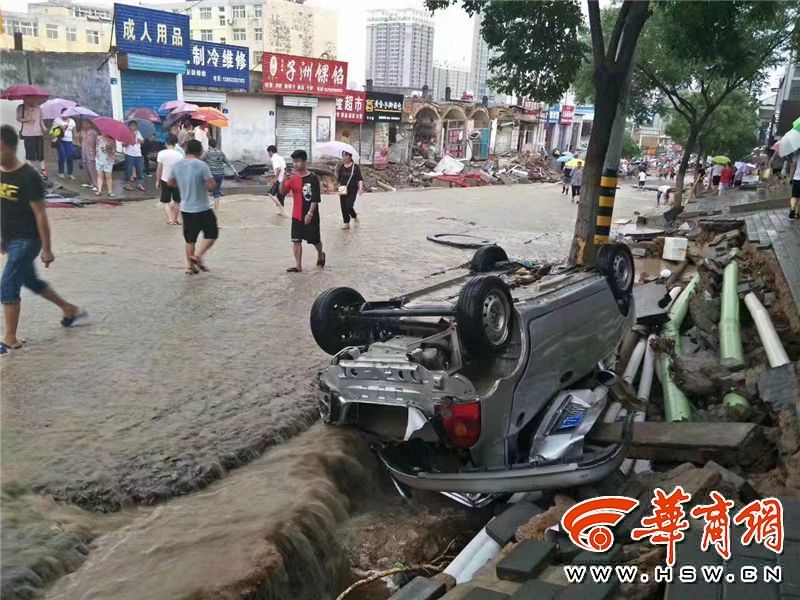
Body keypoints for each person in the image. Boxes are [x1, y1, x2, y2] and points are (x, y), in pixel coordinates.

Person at [0, 125, 86, 353]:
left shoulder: (29, 176)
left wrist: (47, 249)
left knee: (7, 283)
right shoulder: (0, 172)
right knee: (31, 282)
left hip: (28, 239)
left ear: (10, 148)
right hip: (11, 238)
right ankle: (69, 309)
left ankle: (9, 338)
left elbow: (40, 214)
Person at [169, 140, 218, 275]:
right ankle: (199, 256)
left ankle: (190, 267)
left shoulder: (177, 166)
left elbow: (170, 182)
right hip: (202, 208)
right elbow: (210, 185)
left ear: (186, 151)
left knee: (190, 239)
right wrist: (212, 184)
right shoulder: (202, 165)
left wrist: (184, 185)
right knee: (212, 233)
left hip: (186, 209)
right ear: (200, 152)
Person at [280, 149, 325, 273]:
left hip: (311, 214)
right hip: (296, 214)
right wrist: (283, 180)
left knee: (315, 240)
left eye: (298, 162)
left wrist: (310, 213)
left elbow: (316, 198)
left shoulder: (313, 178)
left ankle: (321, 254)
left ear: (305, 162)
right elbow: (282, 192)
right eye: (294, 162)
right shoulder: (292, 177)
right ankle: (298, 266)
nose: (295, 164)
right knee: (296, 240)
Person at [156, 134, 184, 225]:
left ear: (166, 143)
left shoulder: (161, 153)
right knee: (177, 201)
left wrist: (157, 180)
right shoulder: (179, 155)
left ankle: (170, 220)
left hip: (165, 180)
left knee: (165, 201)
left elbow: (159, 168)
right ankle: (175, 219)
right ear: (175, 143)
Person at [202, 138, 238, 210]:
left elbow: (200, 160)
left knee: (205, 189)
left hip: (211, 175)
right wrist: (234, 170)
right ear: (216, 144)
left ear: (209, 144)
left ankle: (207, 205)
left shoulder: (207, 152)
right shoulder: (221, 152)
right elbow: (227, 162)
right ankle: (216, 208)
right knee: (217, 190)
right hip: (220, 174)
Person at [16, 99, 47, 178]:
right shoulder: (21, 107)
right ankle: (32, 170)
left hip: (38, 132)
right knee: (30, 153)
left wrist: (43, 127)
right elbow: (18, 119)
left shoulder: (38, 107)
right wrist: (27, 120)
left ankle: (43, 170)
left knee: (40, 152)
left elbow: (41, 119)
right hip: (28, 133)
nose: (32, 99)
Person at [336, 151, 363, 228]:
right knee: (343, 206)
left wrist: (360, 189)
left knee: (349, 206)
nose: (344, 158)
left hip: (352, 189)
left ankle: (354, 216)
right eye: (343, 156)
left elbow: (360, 179)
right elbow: (338, 180)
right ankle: (346, 223)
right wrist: (335, 171)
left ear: (350, 156)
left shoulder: (355, 167)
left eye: (345, 156)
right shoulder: (341, 167)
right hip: (343, 188)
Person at [122, 121, 145, 192]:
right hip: (129, 154)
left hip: (138, 154)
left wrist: (140, 140)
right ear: (129, 126)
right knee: (128, 170)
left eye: (135, 126)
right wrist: (130, 139)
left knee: (139, 170)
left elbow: (142, 142)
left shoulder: (138, 133)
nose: (133, 127)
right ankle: (127, 184)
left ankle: (140, 184)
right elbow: (123, 144)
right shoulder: (126, 133)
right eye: (132, 126)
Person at [55, 109, 77, 180]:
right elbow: (53, 133)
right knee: (62, 155)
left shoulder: (72, 121)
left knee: (70, 157)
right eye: (63, 114)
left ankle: (70, 173)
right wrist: (60, 127)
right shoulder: (57, 120)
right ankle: (61, 172)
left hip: (69, 141)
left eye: (67, 114)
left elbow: (74, 132)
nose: (65, 116)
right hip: (60, 141)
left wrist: (76, 139)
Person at [267, 145, 287, 214]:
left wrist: (275, 179)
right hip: (283, 179)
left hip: (279, 179)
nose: (268, 154)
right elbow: (284, 168)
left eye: (268, 153)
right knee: (280, 196)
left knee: (270, 193)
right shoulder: (280, 157)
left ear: (271, 152)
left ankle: (281, 209)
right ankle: (281, 211)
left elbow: (278, 169)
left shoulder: (274, 158)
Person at [94, 133, 116, 197]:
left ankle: (110, 191)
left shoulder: (112, 140)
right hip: (99, 159)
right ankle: (99, 190)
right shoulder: (98, 138)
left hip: (108, 161)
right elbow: (96, 148)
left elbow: (114, 151)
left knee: (108, 177)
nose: (103, 132)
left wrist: (108, 149)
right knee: (100, 176)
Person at [80, 120, 98, 192]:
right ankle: (89, 182)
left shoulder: (93, 133)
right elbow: (79, 141)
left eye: (87, 124)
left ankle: (95, 184)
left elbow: (97, 144)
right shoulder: (82, 132)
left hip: (91, 152)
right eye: (84, 123)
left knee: (92, 168)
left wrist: (96, 153)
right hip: (84, 152)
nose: (85, 125)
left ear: (90, 124)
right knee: (85, 167)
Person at [789, 152, 799, 220]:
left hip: (797, 178)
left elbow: (793, 167)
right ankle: (796, 213)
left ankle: (792, 208)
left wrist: (790, 178)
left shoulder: (797, 153)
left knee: (794, 195)